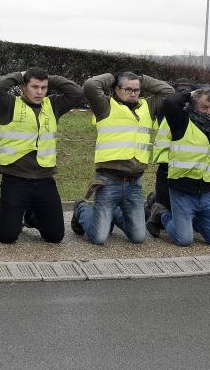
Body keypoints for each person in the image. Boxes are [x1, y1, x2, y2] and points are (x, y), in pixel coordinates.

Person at [0, 69, 84, 244]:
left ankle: (29, 215)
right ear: (23, 87)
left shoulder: (53, 105)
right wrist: (20, 75)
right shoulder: (9, 104)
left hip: (45, 180)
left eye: (44, 87)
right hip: (15, 180)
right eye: (34, 86)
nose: (39, 92)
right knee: (8, 236)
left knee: (55, 237)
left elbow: (77, 93)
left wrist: (48, 77)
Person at [72, 71, 173, 244]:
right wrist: (113, 77)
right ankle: (81, 208)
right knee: (99, 238)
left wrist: (142, 79)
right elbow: (90, 85)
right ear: (117, 89)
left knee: (138, 237)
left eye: (137, 90)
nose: (134, 93)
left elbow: (169, 93)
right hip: (108, 181)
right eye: (128, 89)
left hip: (134, 183)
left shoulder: (147, 106)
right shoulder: (105, 105)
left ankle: (112, 214)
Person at [146, 87, 210, 246]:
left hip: (207, 191)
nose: (209, 112)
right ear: (193, 105)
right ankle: (162, 213)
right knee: (184, 240)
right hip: (182, 189)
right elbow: (169, 102)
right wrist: (190, 94)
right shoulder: (181, 119)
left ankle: (189, 221)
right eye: (204, 107)